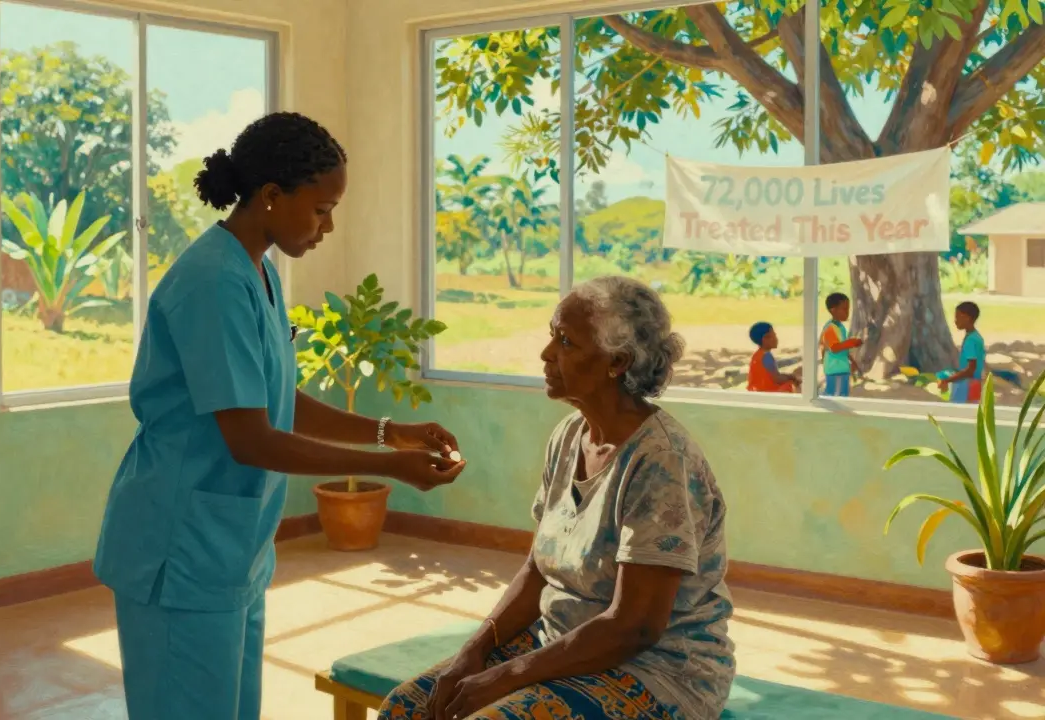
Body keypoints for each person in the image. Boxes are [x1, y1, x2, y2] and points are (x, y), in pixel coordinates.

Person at [93, 112, 468, 720]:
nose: (328, 226)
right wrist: (392, 466)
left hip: (232, 549)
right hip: (180, 549)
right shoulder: (213, 281)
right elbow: (252, 439)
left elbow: (277, 398)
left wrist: (388, 430)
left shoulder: (259, 270)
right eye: (321, 209)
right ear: (271, 196)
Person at [380, 276, 734, 720]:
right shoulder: (569, 436)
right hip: (560, 640)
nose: (547, 353)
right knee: (407, 709)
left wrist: (506, 676)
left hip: (658, 671)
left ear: (617, 362)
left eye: (566, 341)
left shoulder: (661, 461)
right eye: (552, 335)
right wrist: (475, 650)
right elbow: (538, 569)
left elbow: (635, 626)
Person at [939, 301, 986, 404]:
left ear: (967, 318)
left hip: (966, 386)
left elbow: (970, 369)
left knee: (958, 412)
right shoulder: (976, 337)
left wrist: (947, 380)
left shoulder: (970, 341)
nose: (955, 321)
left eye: (958, 317)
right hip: (975, 384)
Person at [820, 293, 862, 397]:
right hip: (835, 369)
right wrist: (851, 342)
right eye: (844, 309)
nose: (847, 313)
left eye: (848, 309)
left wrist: (852, 362)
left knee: (842, 395)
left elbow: (843, 349)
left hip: (842, 368)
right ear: (833, 310)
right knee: (836, 397)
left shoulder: (840, 327)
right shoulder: (830, 328)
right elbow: (834, 348)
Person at [746, 322, 799, 393]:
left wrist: (788, 376)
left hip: (756, 389)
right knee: (790, 384)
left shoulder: (757, 355)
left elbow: (771, 374)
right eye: (774, 336)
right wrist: (792, 378)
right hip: (767, 391)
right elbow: (777, 379)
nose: (776, 339)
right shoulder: (766, 356)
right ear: (765, 338)